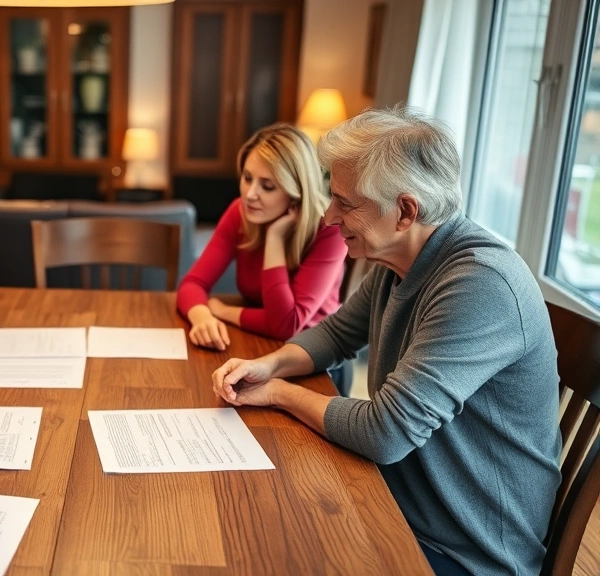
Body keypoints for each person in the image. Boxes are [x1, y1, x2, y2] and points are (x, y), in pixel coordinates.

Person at [211, 107, 560, 576]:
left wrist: (276, 393)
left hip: (464, 550)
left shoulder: (480, 284)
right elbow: (336, 333)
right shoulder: (402, 261)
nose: (329, 216)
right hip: (401, 502)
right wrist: (269, 366)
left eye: (345, 202)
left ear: (405, 212)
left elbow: (385, 432)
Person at [176, 124, 347, 351]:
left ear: (296, 193)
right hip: (258, 340)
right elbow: (192, 283)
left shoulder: (330, 229)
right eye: (247, 178)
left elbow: (287, 324)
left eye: (267, 186)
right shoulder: (240, 212)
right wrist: (202, 317)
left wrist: (224, 311)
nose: (250, 194)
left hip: (316, 352)